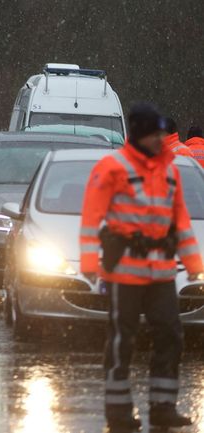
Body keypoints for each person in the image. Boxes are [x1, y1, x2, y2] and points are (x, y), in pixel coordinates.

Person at [80, 103, 203, 431]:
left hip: (162, 272)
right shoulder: (112, 167)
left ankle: (163, 407)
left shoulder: (170, 170)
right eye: (155, 134)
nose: (160, 140)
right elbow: (92, 219)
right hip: (124, 272)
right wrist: (90, 262)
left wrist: (194, 264)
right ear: (140, 134)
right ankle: (118, 413)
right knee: (123, 340)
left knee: (171, 335)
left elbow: (180, 222)